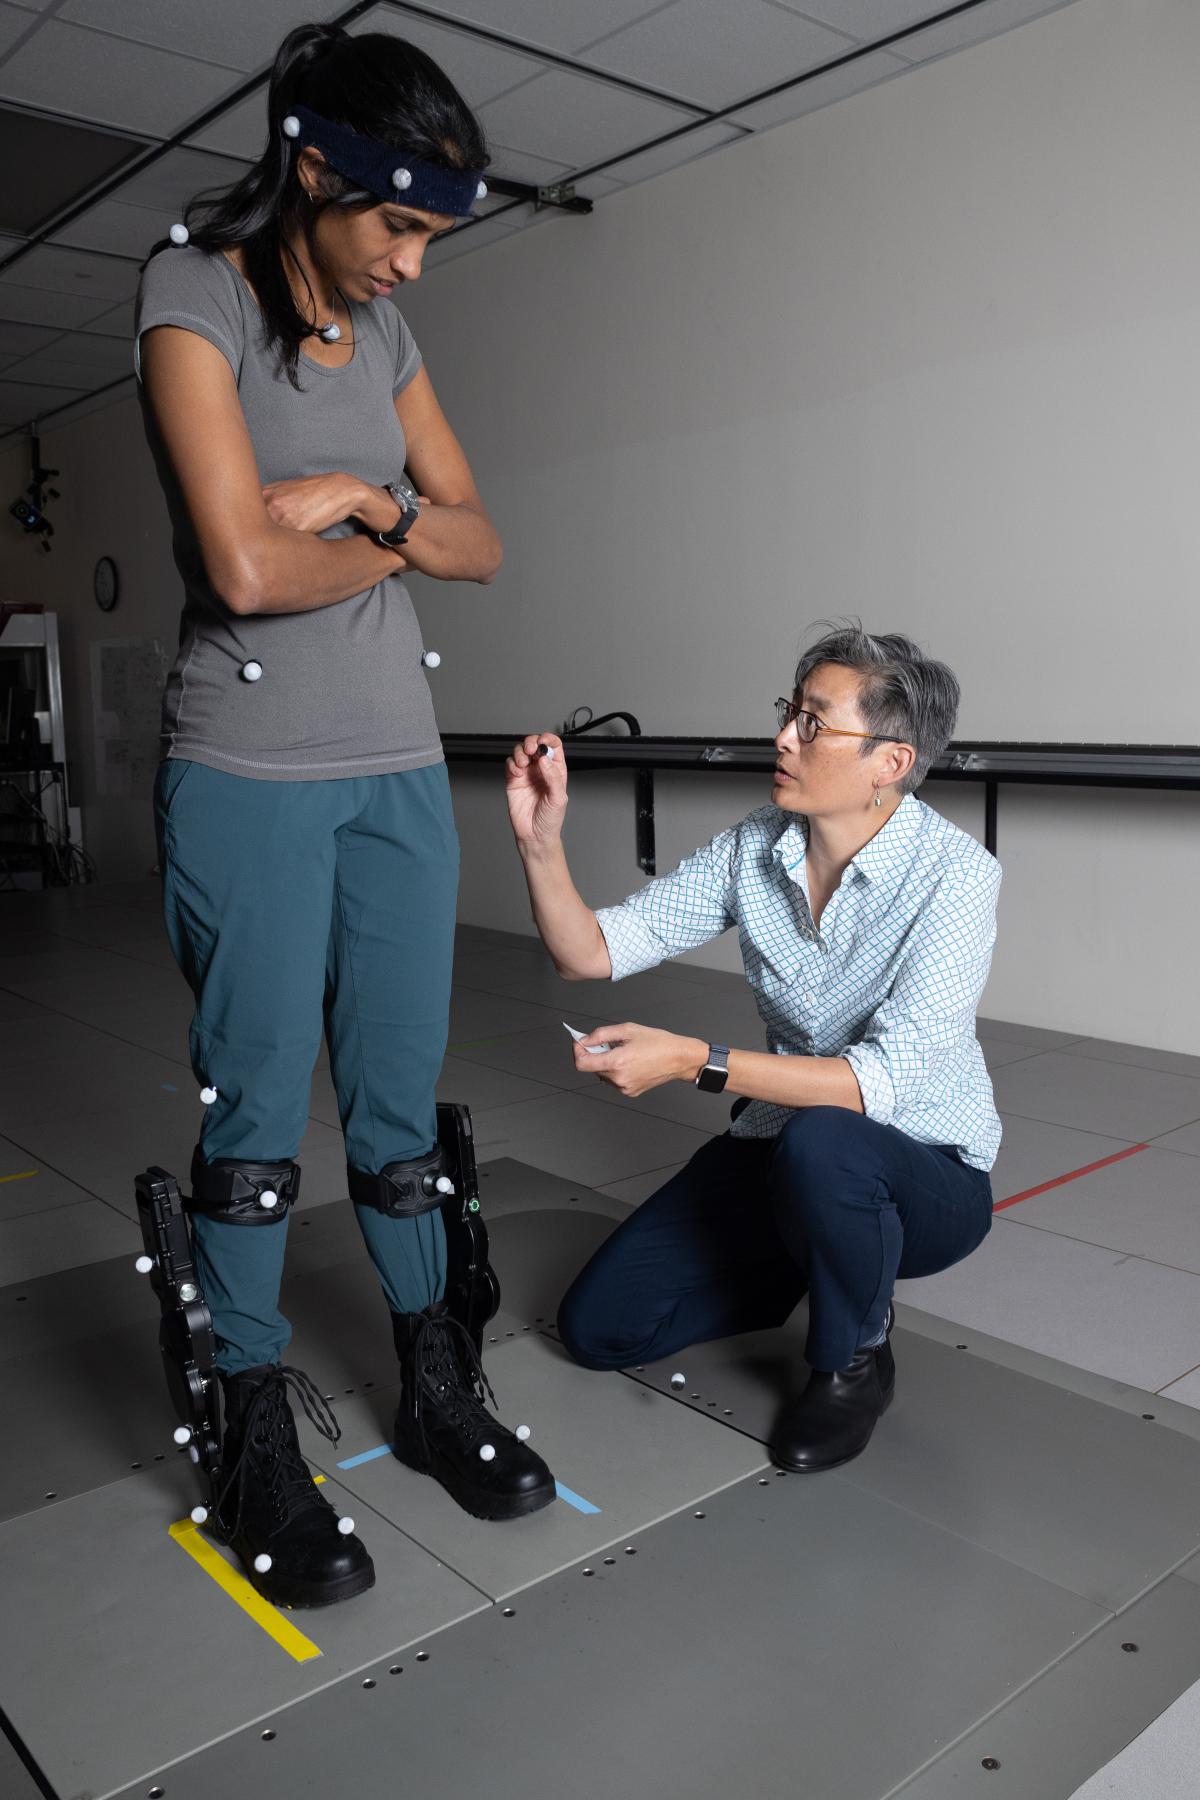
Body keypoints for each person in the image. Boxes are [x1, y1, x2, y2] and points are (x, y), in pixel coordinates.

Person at [137, 22, 554, 1610]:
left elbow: (484, 540)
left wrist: (362, 508)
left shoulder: (381, 341)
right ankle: (249, 1429)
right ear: (312, 171)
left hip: (392, 768)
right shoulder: (191, 294)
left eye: (434, 235)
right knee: (254, 1125)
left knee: (398, 1111)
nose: (415, 265)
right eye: (398, 225)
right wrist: (387, 531)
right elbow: (241, 572)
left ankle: (437, 1379)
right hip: (244, 771)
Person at [505, 625, 1001, 1473]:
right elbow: (589, 951)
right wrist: (540, 842)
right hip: (788, 1150)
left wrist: (694, 1060)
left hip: (929, 1175)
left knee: (826, 1139)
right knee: (601, 1329)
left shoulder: (957, 875)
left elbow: (882, 1081)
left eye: (814, 722)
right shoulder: (755, 845)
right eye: (789, 712)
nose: (782, 737)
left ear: (889, 762)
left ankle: (853, 1358)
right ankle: (820, 1253)